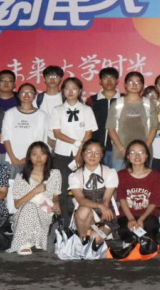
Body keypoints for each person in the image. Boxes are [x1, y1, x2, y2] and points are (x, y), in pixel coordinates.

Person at [49, 77, 97, 222]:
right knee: (61, 188)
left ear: (80, 91)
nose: (70, 92)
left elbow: (89, 133)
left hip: (83, 155)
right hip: (61, 154)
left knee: (83, 188)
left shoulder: (86, 110)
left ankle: (83, 221)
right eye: (67, 88)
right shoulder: (57, 110)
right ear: (62, 91)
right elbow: (57, 133)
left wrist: (79, 153)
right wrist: (76, 142)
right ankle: (63, 222)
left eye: (74, 88)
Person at [8, 141, 62, 255]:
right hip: (24, 214)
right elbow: (17, 205)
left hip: (45, 213)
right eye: (34, 154)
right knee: (29, 206)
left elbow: (56, 196)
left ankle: (35, 239)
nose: (38, 157)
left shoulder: (55, 174)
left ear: (47, 156)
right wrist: (35, 191)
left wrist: (57, 203)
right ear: (29, 157)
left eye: (42, 153)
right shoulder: (21, 177)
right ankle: (24, 243)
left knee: (33, 208)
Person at [106, 71, 159, 171]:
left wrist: (144, 149)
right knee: (121, 180)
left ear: (142, 86)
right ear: (125, 85)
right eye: (131, 82)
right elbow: (111, 128)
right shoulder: (117, 104)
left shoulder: (148, 104)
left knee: (143, 180)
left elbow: (153, 128)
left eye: (138, 82)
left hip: (144, 154)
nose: (134, 85)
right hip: (120, 154)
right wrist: (122, 150)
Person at [68, 140, 118, 242]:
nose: (92, 156)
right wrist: (99, 206)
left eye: (97, 153)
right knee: (83, 210)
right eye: (89, 152)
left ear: (102, 155)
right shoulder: (75, 176)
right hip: (86, 217)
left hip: (105, 214)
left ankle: (94, 236)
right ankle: (83, 240)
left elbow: (106, 199)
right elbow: (81, 200)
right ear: (83, 153)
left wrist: (103, 208)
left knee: (95, 238)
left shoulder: (110, 172)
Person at [116, 140, 160, 242]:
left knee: (150, 227)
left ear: (146, 156)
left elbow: (154, 201)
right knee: (126, 231)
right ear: (128, 156)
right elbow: (122, 199)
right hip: (127, 214)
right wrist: (131, 218)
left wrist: (142, 218)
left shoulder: (155, 175)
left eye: (141, 152)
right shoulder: (121, 174)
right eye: (133, 152)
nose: (137, 156)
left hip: (148, 215)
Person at [2, 83, 50, 177]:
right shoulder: (10, 113)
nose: (26, 95)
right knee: (9, 184)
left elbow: (40, 138)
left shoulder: (41, 115)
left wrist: (28, 158)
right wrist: (12, 157)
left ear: (35, 95)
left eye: (30, 92)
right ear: (18, 95)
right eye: (23, 92)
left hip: (33, 159)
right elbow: (5, 136)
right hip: (11, 159)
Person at [86, 67, 121, 166]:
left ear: (117, 81)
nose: (109, 81)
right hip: (96, 150)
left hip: (119, 149)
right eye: (105, 78)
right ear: (100, 81)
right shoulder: (92, 100)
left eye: (112, 78)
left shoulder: (124, 99)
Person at [36, 65, 66, 149]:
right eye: (49, 76)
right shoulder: (37, 99)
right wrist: (48, 140)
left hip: (64, 142)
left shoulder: (66, 98)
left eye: (55, 77)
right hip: (43, 141)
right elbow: (34, 122)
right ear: (44, 79)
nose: (52, 80)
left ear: (61, 79)